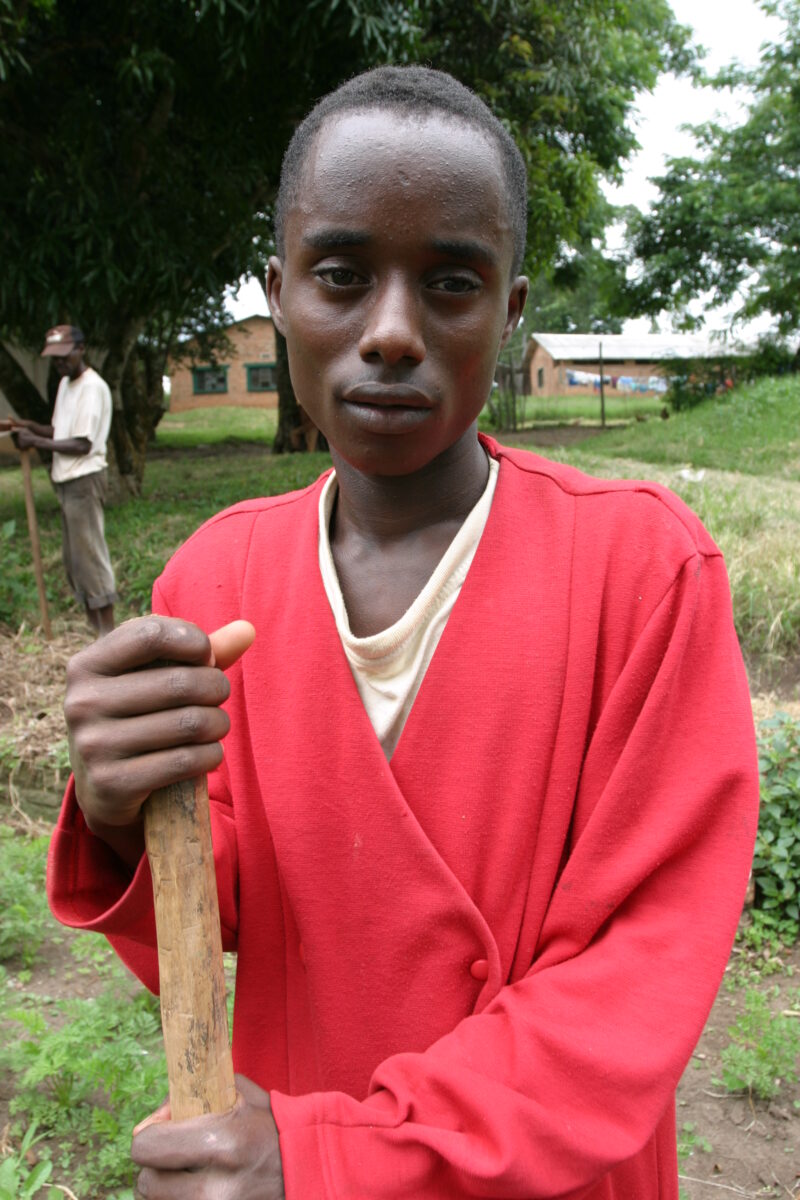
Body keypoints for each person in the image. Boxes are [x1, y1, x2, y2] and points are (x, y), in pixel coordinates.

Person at [47, 67, 759, 1199]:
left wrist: (335, 1154)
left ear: (511, 309)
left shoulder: (640, 572)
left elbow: (632, 973)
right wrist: (121, 812)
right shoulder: (215, 573)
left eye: (450, 284)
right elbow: (234, 905)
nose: (388, 332)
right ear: (275, 290)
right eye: (339, 276)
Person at [12, 325, 117, 635]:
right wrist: (26, 426)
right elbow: (61, 432)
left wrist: (35, 441)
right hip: (67, 481)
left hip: (84, 479)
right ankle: (93, 630)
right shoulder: (65, 385)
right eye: (54, 359)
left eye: (64, 356)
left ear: (80, 350)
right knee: (75, 560)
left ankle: (107, 636)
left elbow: (82, 444)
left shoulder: (92, 387)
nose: (59, 363)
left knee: (90, 557)